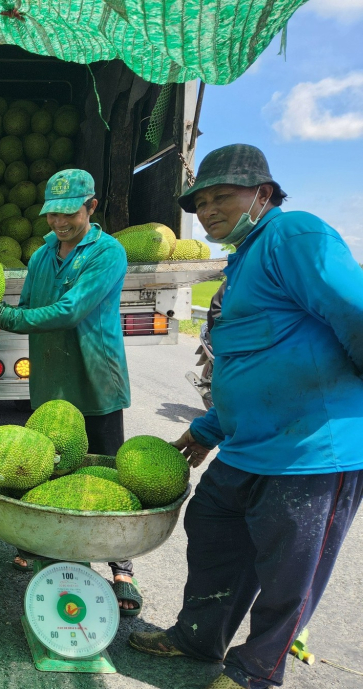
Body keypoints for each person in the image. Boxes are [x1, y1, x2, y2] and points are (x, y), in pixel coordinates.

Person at [127, 144, 363, 689]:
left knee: (289, 577)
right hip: (250, 445)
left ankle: (255, 672)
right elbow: (244, 362)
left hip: (312, 451)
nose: (208, 211)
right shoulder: (240, 263)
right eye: (201, 202)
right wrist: (208, 429)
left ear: (263, 194)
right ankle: (198, 636)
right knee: (210, 524)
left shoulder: (293, 236)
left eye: (221, 197)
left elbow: (353, 313)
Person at [0, 169, 141, 614]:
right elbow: (28, 309)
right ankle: (46, 544)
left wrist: (5, 317)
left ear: (91, 207)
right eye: (53, 214)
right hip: (50, 381)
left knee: (107, 471)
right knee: (49, 469)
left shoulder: (107, 253)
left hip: (96, 378)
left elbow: (69, 310)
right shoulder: (41, 256)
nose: (60, 222)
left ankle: (121, 565)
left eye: (69, 213)